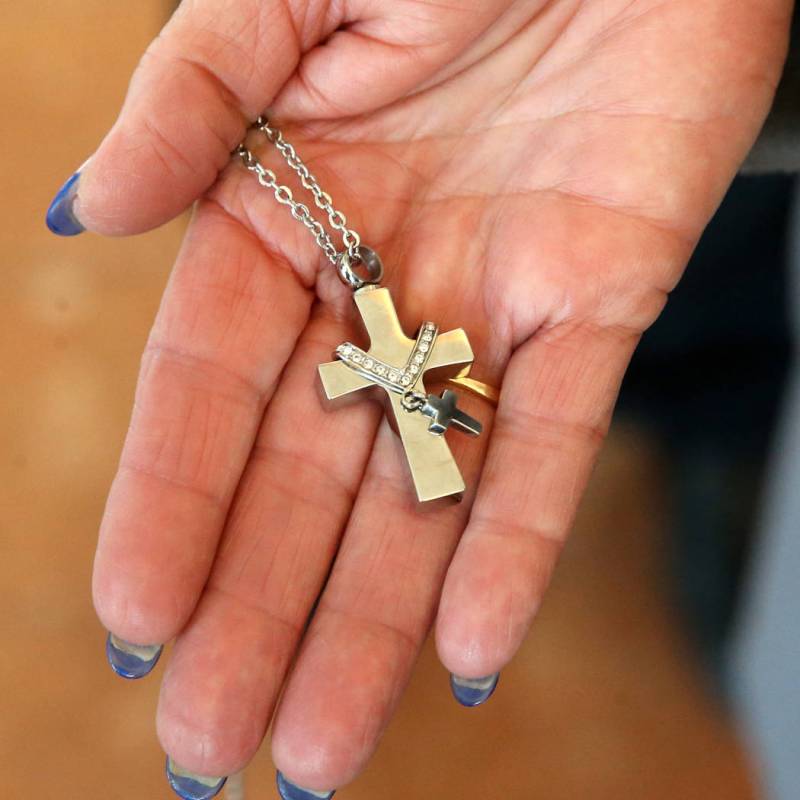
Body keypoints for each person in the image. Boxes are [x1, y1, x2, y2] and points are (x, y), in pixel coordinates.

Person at [45, 2, 795, 799]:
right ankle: (709, 397)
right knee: (598, 300)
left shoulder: (394, 354)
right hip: (448, 65)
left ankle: (732, 410)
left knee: (622, 277)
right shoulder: (372, 352)